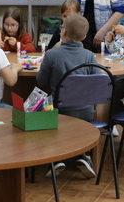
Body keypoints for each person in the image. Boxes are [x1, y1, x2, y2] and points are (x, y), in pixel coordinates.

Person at [36, 14, 98, 178]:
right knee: (77, 123)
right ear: (84, 37)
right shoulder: (89, 56)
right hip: (86, 111)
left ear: (63, 32)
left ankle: (56, 158)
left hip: (60, 111)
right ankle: (83, 155)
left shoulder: (52, 54)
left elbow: (41, 81)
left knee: (39, 111)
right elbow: (96, 82)